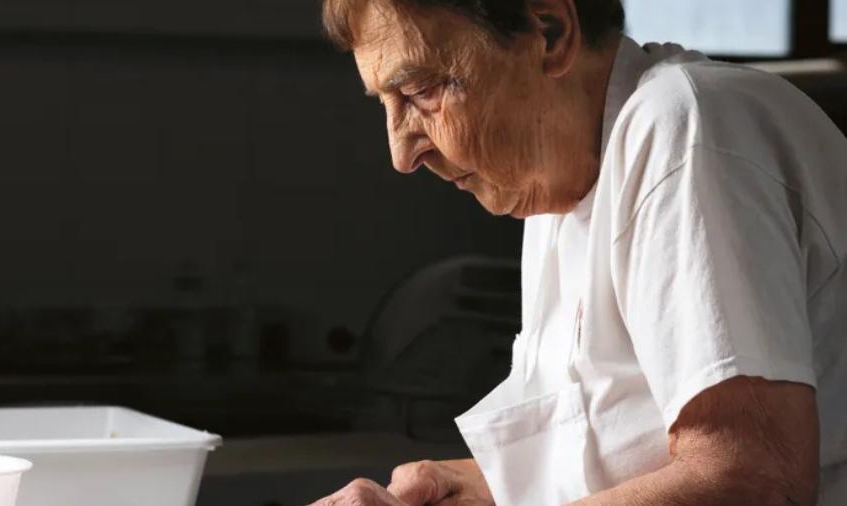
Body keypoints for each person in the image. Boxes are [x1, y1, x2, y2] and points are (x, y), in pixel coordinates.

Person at [311, 0, 847, 504]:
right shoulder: (556, 181)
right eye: (386, 102)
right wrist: (470, 488)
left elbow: (754, 480)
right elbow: (624, 457)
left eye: (421, 90)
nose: (402, 152)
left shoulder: (683, 128)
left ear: (550, 33)